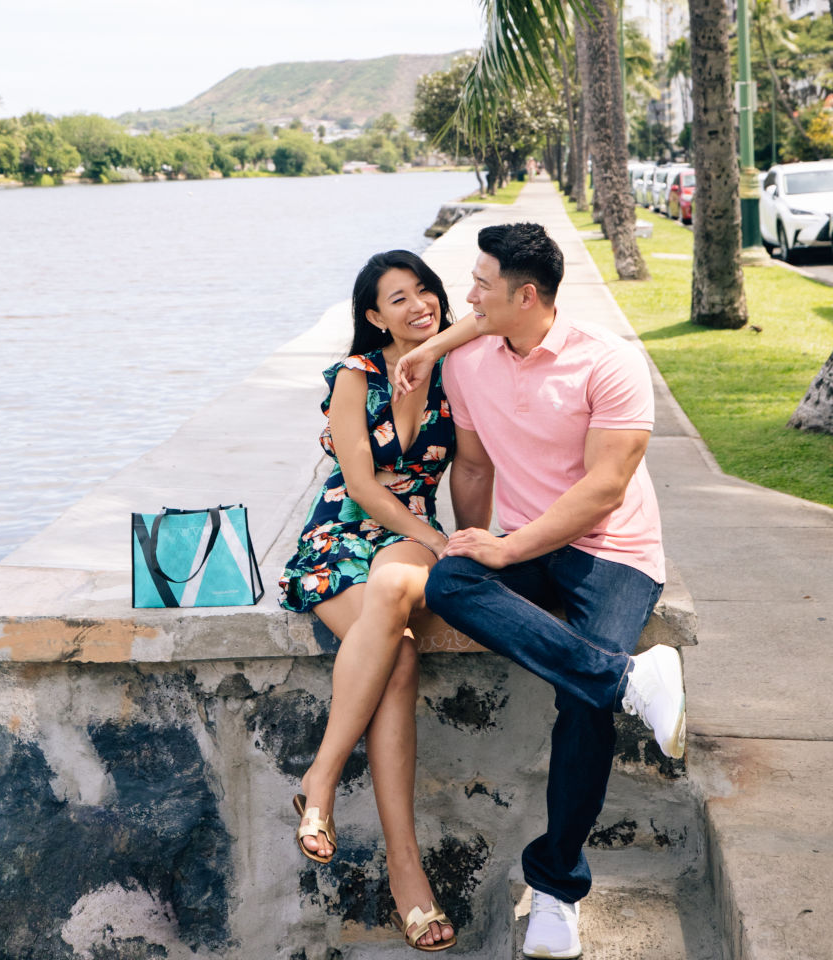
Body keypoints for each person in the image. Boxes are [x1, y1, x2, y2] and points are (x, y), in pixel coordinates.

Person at [392, 222, 686, 960]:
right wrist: (478, 540)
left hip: (613, 551)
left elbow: (605, 490)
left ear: (527, 296)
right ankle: (629, 680)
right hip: (527, 542)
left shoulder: (609, 363)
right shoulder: (469, 362)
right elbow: (473, 465)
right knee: (451, 579)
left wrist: (508, 546)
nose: (467, 296)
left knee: (582, 704)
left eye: (481, 284)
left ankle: (555, 889)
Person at [277, 250, 459, 952]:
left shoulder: (456, 370)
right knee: (400, 660)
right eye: (398, 298)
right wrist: (434, 537)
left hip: (408, 541)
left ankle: (319, 780)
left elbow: (490, 317)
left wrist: (448, 541)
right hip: (345, 533)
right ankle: (405, 871)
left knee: (393, 613)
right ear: (374, 316)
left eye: (425, 290)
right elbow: (358, 484)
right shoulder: (355, 377)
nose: (418, 305)